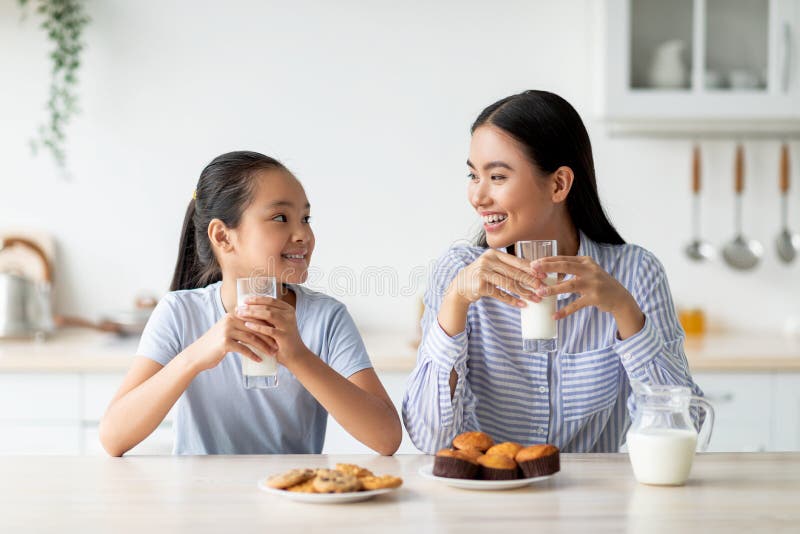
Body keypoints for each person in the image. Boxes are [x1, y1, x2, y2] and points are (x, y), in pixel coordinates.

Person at [403, 90, 702, 453]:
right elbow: (428, 439)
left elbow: (687, 425)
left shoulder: (635, 273)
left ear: (559, 184)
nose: (477, 196)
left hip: (593, 502)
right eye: (472, 175)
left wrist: (625, 311)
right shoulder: (458, 273)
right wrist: (454, 304)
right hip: (488, 502)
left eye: (497, 176)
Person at [100, 151, 401, 456]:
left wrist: (298, 356)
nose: (304, 235)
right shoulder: (180, 313)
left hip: (291, 496)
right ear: (223, 236)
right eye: (281, 218)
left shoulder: (326, 318)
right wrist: (194, 358)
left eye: (306, 219)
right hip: (200, 500)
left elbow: (387, 438)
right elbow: (113, 437)